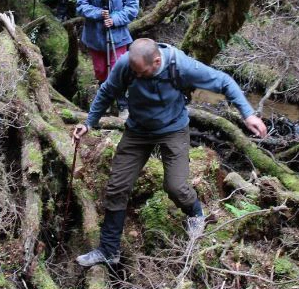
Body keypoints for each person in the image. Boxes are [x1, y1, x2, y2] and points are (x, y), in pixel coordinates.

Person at [72, 38, 268, 267]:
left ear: (156, 62)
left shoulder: (180, 65)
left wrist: (248, 113)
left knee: (175, 186)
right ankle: (108, 250)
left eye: (142, 72)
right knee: (117, 187)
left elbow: (223, 81)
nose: (137, 76)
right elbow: (107, 91)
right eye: (134, 71)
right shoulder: (127, 64)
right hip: (138, 130)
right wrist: (89, 123)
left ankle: (195, 212)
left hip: (173, 129)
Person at [76, 0, 139, 115]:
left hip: (117, 35)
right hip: (95, 35)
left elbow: (133, 7)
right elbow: (81, 5)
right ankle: (104, 102)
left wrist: (115, 19)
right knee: (101, 71)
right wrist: (97, 13)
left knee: (119, 69)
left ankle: (122, 104)